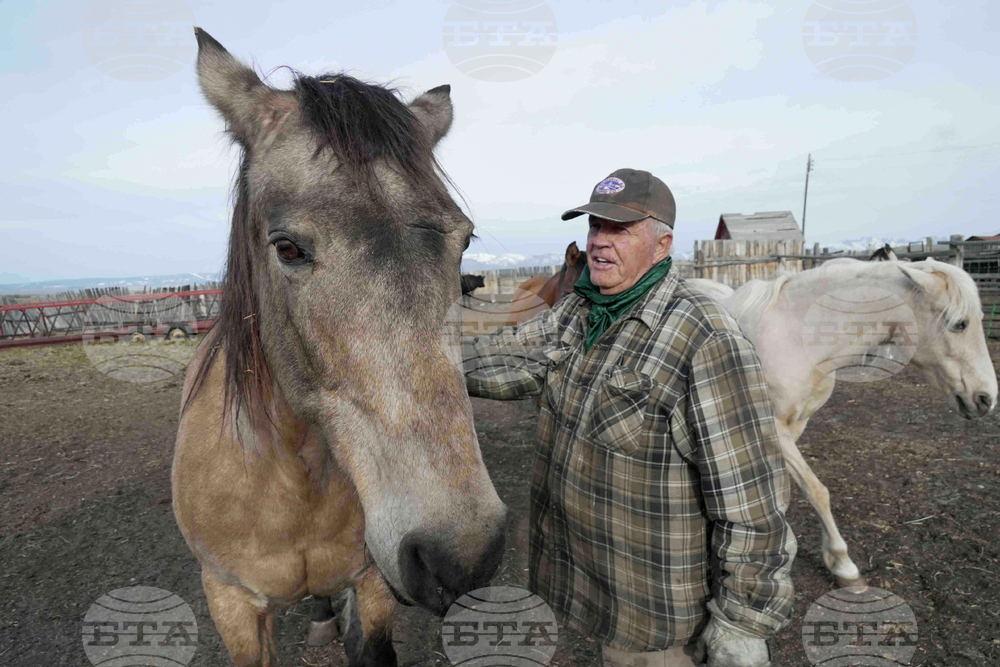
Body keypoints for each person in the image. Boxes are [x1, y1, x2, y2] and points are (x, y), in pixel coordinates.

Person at [462, 169, 796, 667]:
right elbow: (506, 360)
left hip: (657, 618)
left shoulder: (703, 339)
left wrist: (742, 622)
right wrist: (410, 357)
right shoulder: (579, 313)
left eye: (619, 230)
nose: (599, 241)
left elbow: (750, 498)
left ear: (662, 245)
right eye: (596, 226)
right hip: (594, 586)